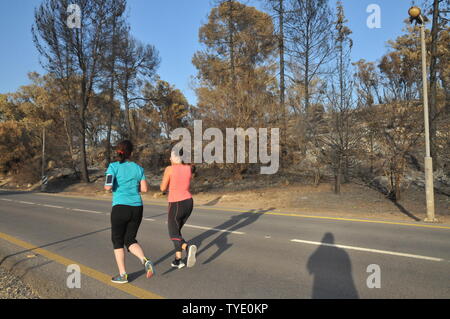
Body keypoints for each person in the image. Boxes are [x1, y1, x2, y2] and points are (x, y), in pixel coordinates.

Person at [104, 140, 155, 283]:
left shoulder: (113, 167)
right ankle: (145, 260)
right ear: (131, 153)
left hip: (120, 207)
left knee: (118, 241)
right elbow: (144, 189)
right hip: (137, 207)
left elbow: (107, 187)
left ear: (118, 151)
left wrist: (115, 185)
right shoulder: (138, 168)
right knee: (130, 239)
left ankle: (123, 275)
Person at [160, 150, 197, 269]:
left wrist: (164, 189)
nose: (169, 159)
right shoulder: (188, 168)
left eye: (170, 156)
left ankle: (187, 247)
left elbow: (162, 188)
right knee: (177, 231)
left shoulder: (169, 169)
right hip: (189, 202)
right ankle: (178, 260)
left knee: (173, 233)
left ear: (174, 158)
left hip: (176, 203)